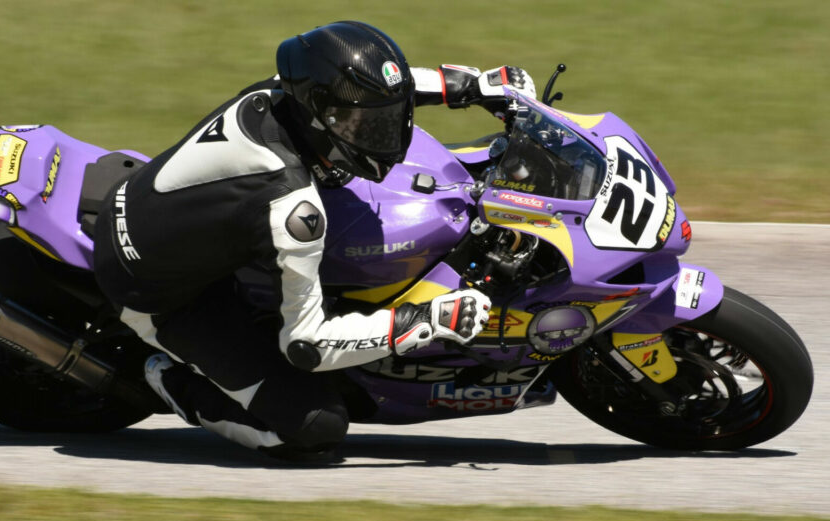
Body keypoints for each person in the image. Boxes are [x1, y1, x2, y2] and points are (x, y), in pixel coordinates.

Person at [93, 21, 536, 462]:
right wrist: (428, 319)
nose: (383, 137)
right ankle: (168, 379)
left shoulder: (284, 94)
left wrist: (473, 86)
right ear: (320, 115)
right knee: (315, 427)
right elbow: (307, 345)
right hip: (162, 292)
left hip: (172, 216)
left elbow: (377, 89)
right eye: (362, 125)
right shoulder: (293, 210)